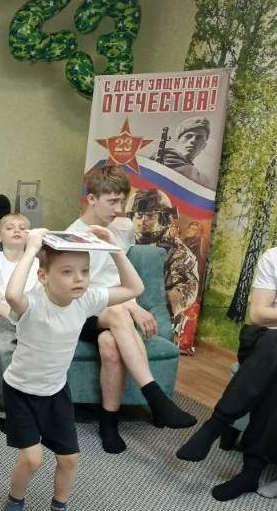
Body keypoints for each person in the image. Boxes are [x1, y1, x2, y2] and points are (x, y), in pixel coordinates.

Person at [1, 226, 144, 511]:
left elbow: (134, 287)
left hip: (55, 392)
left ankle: (59, 509)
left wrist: (113, 247)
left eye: (85, 271)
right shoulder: (31, 303)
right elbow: (11, 295)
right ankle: (15, 502)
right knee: (32, 459)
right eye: (67, 272)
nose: (79, 278)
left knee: (69, 458)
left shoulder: (87, 299)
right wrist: (31, 248)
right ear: (43, 276)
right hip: (21, 392)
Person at [65, 166, 195, 455]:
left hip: (113, 312)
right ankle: (156, 398)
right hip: (81, 312)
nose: (119, 209)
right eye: (112, 201)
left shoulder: (122, 228)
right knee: (119, 315)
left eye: (122, 201)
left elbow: (121, 274)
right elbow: (81, 291)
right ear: (91, 199)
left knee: (110, 345)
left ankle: (108, 423)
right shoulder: (74, 237)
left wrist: (131, 305)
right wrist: (130, 307)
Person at [177, 245, 277, 500]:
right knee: (273, 344)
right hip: (265, 341)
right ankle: (250, 470)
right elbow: (258, 314)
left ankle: (216, 427)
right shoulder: (273, 257)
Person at [0, 213, 38, 422]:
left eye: (23, 228)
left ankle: (35, 406)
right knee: (4, 345)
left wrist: (27, 317)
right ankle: (4, 411)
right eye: (10, 227)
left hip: (31, 315)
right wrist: (13, 317)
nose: (17, 230)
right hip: (1, 314)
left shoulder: (37, 263)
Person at [127, 188, 200, 320]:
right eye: (138, 214)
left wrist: (157, 305)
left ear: (164, 219)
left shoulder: (177, 251)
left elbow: (188, 287)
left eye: (150, 216)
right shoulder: (122, 242)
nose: (143, 221)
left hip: (154, 318)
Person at [160, 117, 212, 188]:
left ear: (204, 146)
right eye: (188, 136)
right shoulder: (164, 159)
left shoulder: (196, 174)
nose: (193, 140)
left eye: (199, 138)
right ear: (177, 141)